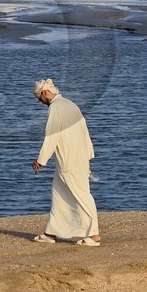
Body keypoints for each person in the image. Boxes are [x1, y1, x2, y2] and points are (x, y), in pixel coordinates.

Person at [31, 78, 100, 245]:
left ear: (45, 93)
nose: (41, 102)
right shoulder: (70, 104)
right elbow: (84, 131)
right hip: (77, 159)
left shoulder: (56, 107)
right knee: (59, 195)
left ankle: (94, 235)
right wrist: (88, 157)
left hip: (69, 162)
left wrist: (41, 160)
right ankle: (51, 233)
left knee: (81, 195)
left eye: (40, 99)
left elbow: (52, 135)